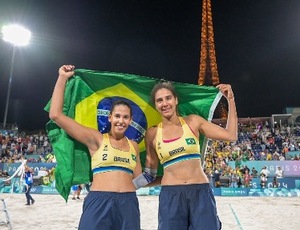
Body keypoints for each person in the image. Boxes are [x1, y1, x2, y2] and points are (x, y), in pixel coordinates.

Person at [133, 81, 237, 230]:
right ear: (155, 105)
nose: (164, 103)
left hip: (200, 192)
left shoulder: (193, 122)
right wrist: (130, 185)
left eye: (168, 98)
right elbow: (149, 175)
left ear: (176, 100)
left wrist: (231, 100)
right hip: (171, 196)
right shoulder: (152, 133)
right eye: (159, 100)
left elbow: (231, 135)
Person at [49, 65, 142, 230]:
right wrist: (62, 78)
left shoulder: (133, 145)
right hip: (99, 201)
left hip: (128, 203)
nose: (121, 120)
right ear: (110, 118)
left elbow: (139, 181)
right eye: (117, 116)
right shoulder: (96, 139)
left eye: (126, 117)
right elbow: (55, 115)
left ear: (130, 120)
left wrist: (168, 178)